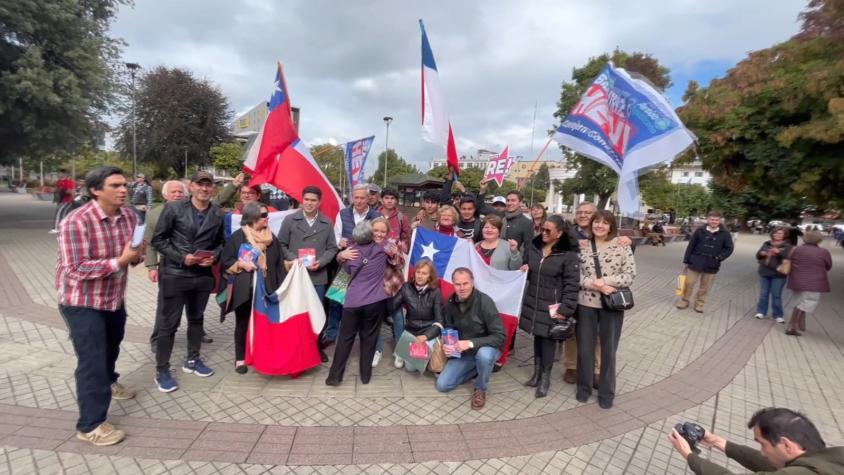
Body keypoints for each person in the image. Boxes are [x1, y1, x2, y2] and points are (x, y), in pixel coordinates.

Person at [56, 166, 142, 446]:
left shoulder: (129, 215)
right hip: (81, 301)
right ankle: (90, 424)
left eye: (125, 185)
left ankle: (109, 381)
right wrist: (120, 261)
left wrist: (136, 256)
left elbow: (131, 251)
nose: (123, 190)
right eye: (116, 185)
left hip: (113, 297)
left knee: (111, 348)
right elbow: (75, 268)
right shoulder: (76, 221)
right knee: (92, 360)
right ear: (96, 190)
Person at [151, 171, 226, 392]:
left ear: (212, 188)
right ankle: (162, 370)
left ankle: (193, 360)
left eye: (208, 185)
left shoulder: (217, 213)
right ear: (191, 187)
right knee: (169, 324)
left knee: (196, 320)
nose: (204, 189)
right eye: (200, 184)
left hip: (202, 276)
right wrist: (182, 257)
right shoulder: (174, 208)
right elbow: (158, 239)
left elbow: (222, 243)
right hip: (175, 274)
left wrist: (214, 257)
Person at [576, 210, 636, 409]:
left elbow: (629, 275)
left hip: (612, 305)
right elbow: (575, 275)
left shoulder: (621, 245)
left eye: (604, 223)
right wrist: (596, 285)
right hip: (586, 304)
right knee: (585, 349)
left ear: (611, 226)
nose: (599, 226)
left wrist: (605, 282)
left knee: (609, 350)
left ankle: (606, 393)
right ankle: (583, 389)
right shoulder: (582, 246)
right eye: (596, 222)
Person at [669, 407, 844, 474]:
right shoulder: (828, 459)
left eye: (762, 444)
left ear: (786, 445)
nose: (761, 451)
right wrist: (716, 441)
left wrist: (689, 456)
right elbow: (770, 464)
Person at [325, 220, 395, 385]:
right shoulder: (382, 250)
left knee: (345, 339)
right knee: (369, 339)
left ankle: (334, 377)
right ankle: (365, 376)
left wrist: (340, 256)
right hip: (375, 302)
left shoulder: (350, 252)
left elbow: (345, 274)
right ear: (371, 235)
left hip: (352, 303)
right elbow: (396, 256)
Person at [518, 215, 580, 398]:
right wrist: (525, 268)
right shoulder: (535, 247)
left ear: (559, 233)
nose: (543, 233)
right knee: (538, 337)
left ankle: (545, 378)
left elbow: (572, 284)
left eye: (548, 231)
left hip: (553, 305)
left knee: (548, 340)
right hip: (534, 301)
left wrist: (566, 308)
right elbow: (529, 267)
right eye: (542, 229)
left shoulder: (568, 255)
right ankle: (536, 374)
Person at [220, 203, 286, 374]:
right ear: (253, 218)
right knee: (242, 323)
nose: (267, 218)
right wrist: (240, 264)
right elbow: (225, 261)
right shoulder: (238, 237)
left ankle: (261, 354)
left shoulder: (272, 238)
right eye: (263, 215)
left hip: (267, 290)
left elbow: (279, 263)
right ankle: (240, 358)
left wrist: (290, 272)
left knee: (265, 323)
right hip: (245, 290)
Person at [278, 186, 339, 355]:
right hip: (295, 275)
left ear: (319, 202)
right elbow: (281, 244)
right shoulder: (290, 220)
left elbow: (332, 248)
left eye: (313, 200)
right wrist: (294, 259)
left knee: (317, 313)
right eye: (306, 199)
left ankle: (315, 348)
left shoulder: (327, 223)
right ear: (301, 200)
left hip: (317, 275)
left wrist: (321, 262)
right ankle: (295, 348)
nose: (309, 203)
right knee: (296, 312)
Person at [435, 268, 506, 409]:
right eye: (458, 284)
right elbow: (449, 326)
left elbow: (500, 336)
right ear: (453, 284)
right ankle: (481, 369)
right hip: (464, 353)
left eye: (465, 283)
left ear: (472, 282)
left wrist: (470, 343)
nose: (462, 288)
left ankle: (480, 388)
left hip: (487, 348)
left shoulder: (485, 302)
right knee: (442, 385)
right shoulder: (450, 302)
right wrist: (449, 345)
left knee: (484, 356)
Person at [323, 184, 381, 354]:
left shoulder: (376, 216)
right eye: (356, 197)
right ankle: (332, 334)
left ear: (369, 198)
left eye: (363, 197)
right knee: (336, 300)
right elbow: (336, 236)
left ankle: (362, 338)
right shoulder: (343, 214)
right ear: (351, 198)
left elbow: (380, 237)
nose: (359, 201)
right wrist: (340, 243)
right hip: (346, 265)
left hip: (366, 267)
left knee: (365, 303)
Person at [144, 180, 197, 352]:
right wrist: (152, 266)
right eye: (173, 192)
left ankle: (198, 332)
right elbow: (150, 243)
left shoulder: (193, 210)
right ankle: (157, 338)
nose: (177, 195)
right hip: (169, 268)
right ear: (165, 195)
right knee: (165, 305)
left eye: (180, 192)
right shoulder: (155, 214)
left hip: (193, 265)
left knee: (194, 303)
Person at [389, 260, 444, 372]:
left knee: (427, 363)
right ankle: (415, 353)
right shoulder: (406, 287)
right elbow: (391, 306)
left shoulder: (435, 292)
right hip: (412, 332)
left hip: (428, 332)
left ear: (430, 276)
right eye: (418, 272)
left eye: (424, 273)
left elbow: (440, 321)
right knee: (410, 368)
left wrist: (426, 336)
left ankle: (432, 350)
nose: (420, 276)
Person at [366, 217, 406, 368]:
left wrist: (395, 254)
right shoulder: (365, 243)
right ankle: (377, 350)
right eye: (376, 230)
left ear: (388, 232)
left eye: (383, 231)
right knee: (374, 321)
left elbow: (401, 263)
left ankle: (400, 351)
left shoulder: (394, 243)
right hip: (373, 290)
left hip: (393, 289)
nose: (379, 234)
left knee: (398, 320)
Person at [678, 211, 734, 313]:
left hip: (711, 263)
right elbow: (691, 245)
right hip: (695, 261)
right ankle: (685, 300)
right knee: (689, 282)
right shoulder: (700, 230)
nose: (714, 221)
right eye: (712, 219)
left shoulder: (725, 234)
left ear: (720, 221)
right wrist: (687, 259)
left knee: (705, 286)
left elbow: (729, 248)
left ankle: (700, 303)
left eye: (716, 220)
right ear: (708, 220)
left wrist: (719, 257)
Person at [785, 231, 832, 336]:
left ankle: (800, 322)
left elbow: (789, 260)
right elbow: (828, 266)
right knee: (809, 302)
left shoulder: (796, 249)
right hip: (814, 282)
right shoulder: (823, 252)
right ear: (819, 240)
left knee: (798, 301)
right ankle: (792, 325)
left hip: (796, 280)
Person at [754, 227, 792, 323]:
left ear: (784, 235)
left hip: (778, 274)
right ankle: (761, 312)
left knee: (776, 295)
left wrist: (779, 252)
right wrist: (762, 253)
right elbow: (757, 255)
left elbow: (789, 257)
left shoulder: (787, 246)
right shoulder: (767, 244)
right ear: (772, 234)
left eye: (780, 233)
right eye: (776, 233)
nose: (778, 235)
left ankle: (778, 315)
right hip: (765, 271)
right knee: (764, 294)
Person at [380, 188, 411, 252]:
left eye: (392, 198)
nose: (389, 201)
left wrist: (401, 247)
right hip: (375, 255)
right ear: (381, 199)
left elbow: (405, 238)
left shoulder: (402, 218)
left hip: (394, 255)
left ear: (396, 200)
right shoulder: (374, 214)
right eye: (386, 198)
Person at [49, 169, 76, 234]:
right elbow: (56, 191)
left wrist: (72, 199)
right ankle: (63, 227)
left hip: (66, 201)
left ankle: (56, 228)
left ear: (65, 174)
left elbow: (70, 191)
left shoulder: (68, 182)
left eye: (61, 173)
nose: (59, 175)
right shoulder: (58, 182)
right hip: (61, 201)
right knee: (62, 214)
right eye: (59, 173)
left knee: (59, 213)